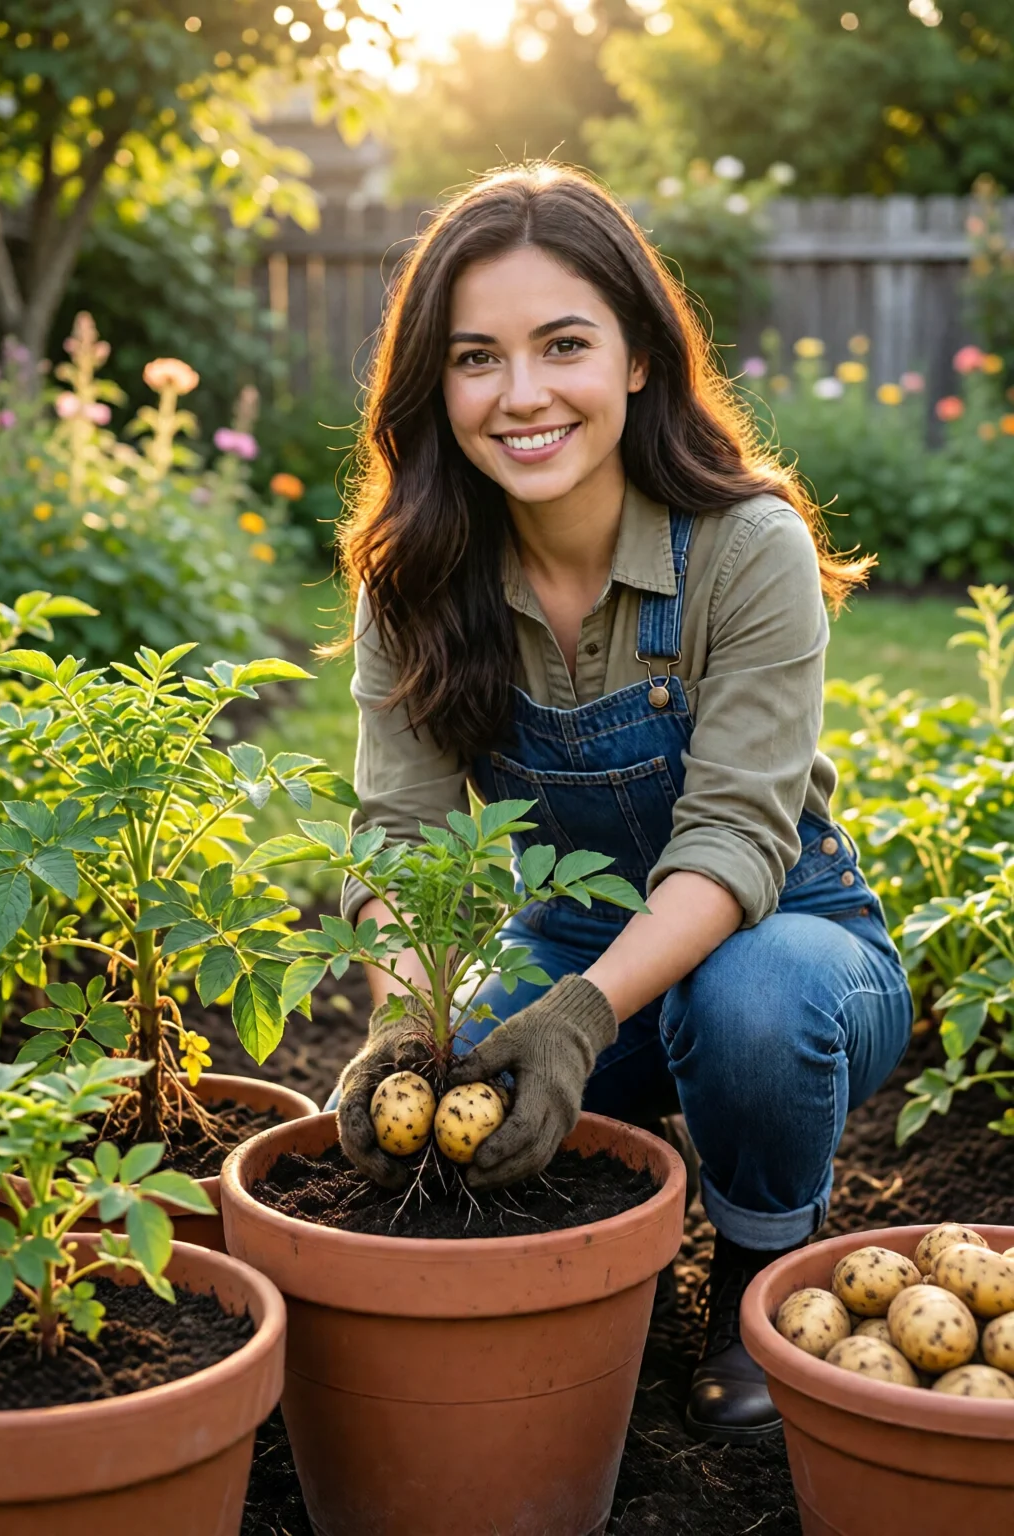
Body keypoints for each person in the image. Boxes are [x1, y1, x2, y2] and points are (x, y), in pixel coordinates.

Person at [326, 164, 913, 1445]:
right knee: (453, 1064)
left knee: (749, 1002)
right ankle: (584, 1277)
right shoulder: (415, 577)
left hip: (795, 950)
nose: (521, 393)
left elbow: (735, 838)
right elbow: (403, 835)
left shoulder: (743, 547)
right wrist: (402, 1017)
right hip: (561, 961)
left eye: (563, 345)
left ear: (640, 357)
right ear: (437, 384)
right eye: (477, 357)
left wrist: (581, 1017)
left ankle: (756, 1283)